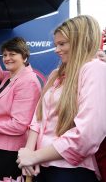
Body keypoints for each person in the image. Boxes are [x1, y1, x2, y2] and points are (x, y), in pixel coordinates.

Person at [17, 15, 106, 182]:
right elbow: (38, 116)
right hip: (40, 166)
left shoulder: (95, 69)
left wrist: (35, 156)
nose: (56, 50)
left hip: (70, 171)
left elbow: (88, 134)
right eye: (56, 44)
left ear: (80, 41)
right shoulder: (55, 74)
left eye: (62, 44)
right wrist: (29, 153)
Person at [0, 38, 41, 182]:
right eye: (5, 55)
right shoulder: (11, 76)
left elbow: (18, 125)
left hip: (10, 151)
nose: (7, 58)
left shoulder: (28, 82)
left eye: (12, 54)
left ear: (24, 56)